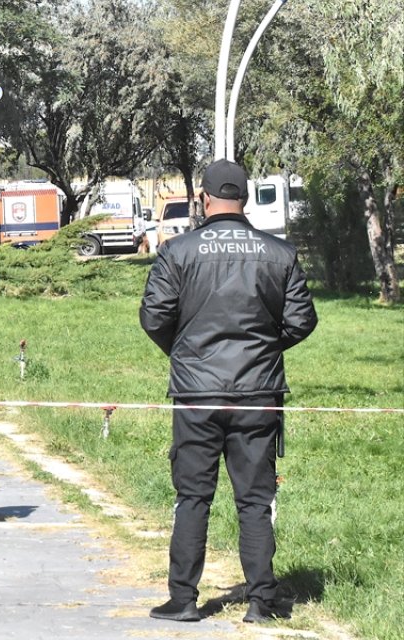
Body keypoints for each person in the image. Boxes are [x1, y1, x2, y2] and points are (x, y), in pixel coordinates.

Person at [140, 159, 317, 624]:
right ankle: (261, 602)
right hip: (258, 393)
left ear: (203, 198)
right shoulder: (280, 253)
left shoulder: (178, 251)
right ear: (245, 198)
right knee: (255, 500)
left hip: (196, 395)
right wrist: (262, 351)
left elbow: (153, 316)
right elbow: (302, 321)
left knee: (193, 496)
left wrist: (185, 353)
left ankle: (183, 600)